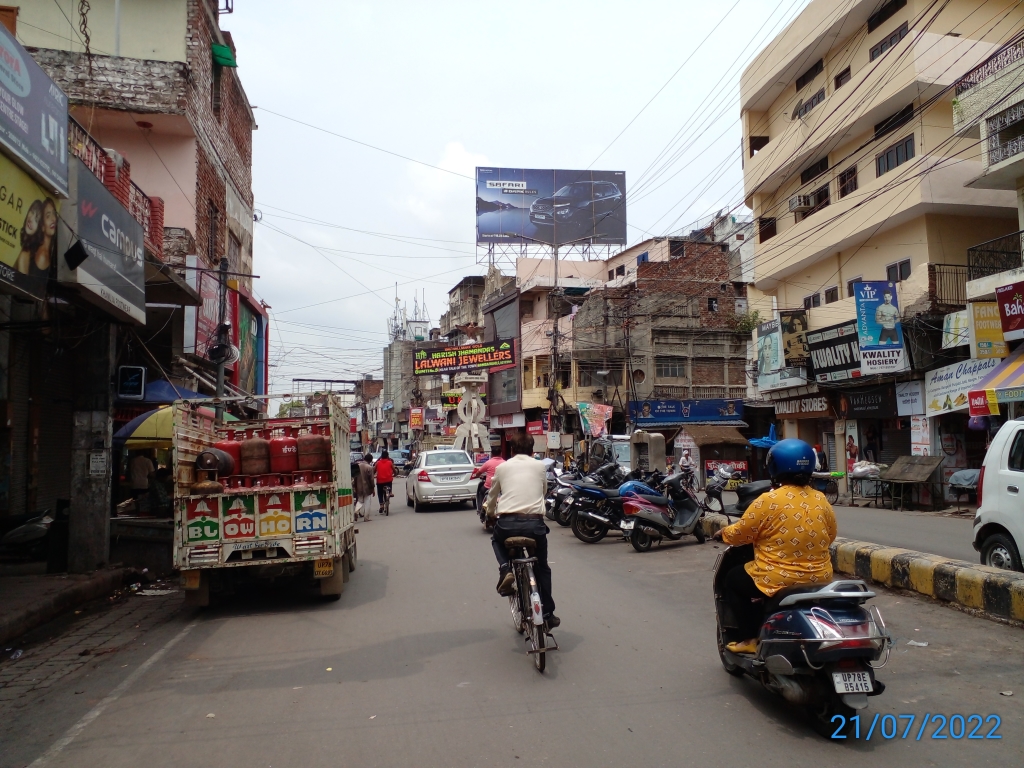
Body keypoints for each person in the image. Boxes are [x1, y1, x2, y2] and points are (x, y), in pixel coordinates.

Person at [712, 439, 837, 654]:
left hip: (777, 578)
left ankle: (750, 638)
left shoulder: (768, 500)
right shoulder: (820, 499)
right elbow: (831, 535)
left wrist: (723, 533)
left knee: (732, 579)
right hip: (819, 577)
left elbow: (742, 533)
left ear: (775, 466)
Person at [485, 432, 559, 628]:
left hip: (507, 524)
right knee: (542, 567)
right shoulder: (539, 466)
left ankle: (505, 569)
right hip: (535, 525)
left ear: (511, 450)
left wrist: (490, 513)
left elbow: (492, 495)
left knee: (496, 540)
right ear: (532, 450)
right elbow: (543, 491)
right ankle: (548, 613)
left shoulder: (502, 467)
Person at [476, 447, 505, 516]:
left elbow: (478, 473)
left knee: (481, 492)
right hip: (502, 486)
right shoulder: (505, 463)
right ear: (501, 454)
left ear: (492, 454)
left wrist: (478, 475)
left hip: (489, 486)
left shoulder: (488, 462)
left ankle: (480, 509)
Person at [16, 200, 43, 275]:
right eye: (32, 212)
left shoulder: (25, 254)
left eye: (36, 220)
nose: (31, 219)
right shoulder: (26, 250)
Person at [373, 449, 395, 514]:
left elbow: (374, 471)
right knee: (389, 486)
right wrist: (395, 473)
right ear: (387, 456)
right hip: (388, 480)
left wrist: (374, 474)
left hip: (380, 481)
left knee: (380, 493)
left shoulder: (378, 463)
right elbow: (394, 470)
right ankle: (390, 492)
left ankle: (381, 505)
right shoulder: (390, 462)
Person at [355, 452, 374, 520]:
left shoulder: (358, 466)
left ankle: (356, 511)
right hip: (367, 487)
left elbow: (355, 478)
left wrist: (355, 487)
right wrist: (373, 488)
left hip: (359, 486)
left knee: (360, 500)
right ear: (370, 460)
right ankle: (366, 518)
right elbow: (371, 479)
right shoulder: (370, 467)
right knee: (367, 501)